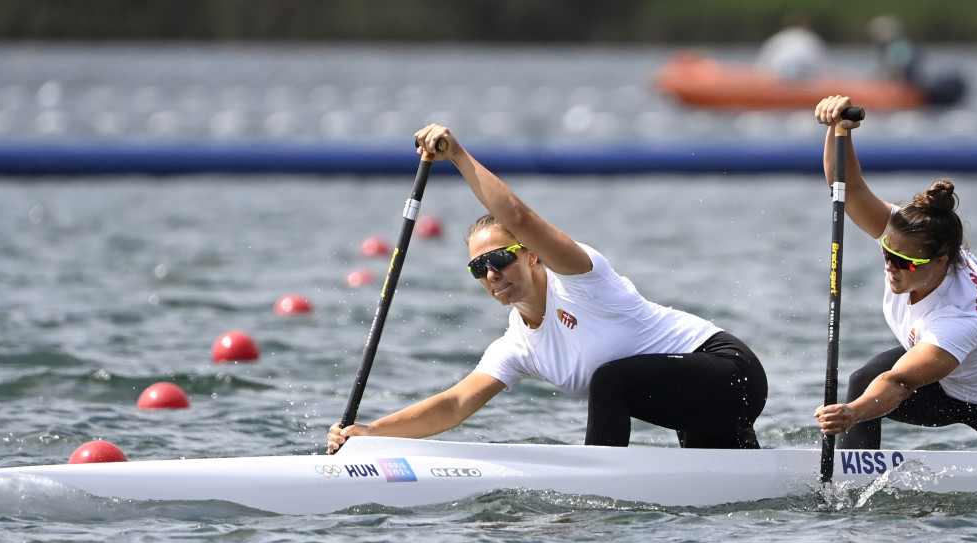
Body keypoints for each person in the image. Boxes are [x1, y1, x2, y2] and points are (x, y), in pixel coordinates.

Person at [328, 123, 768, 454]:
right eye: (478, 267)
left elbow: (518, 217)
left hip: (731, 373)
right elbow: (453, 405)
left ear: (532, 254)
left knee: (610, 380)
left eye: (500, 258)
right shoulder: (518, 345)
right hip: (691, 405)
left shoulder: (581, 279)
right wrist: (370, 432)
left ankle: (598, 492)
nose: (491, 274)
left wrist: (458, 154)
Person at [812, 96, 977, 452]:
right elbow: (849, 188)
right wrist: (839, 130)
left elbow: (899, 384)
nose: (891, 264)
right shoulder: (908, 234)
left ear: (941, 261)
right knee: (863, 379)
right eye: (888, 252)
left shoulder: (960, 315)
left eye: (904, 261)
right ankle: (851, 484)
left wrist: (850, 414)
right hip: (944, 382)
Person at [757, 13, 829, 80]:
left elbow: (763, 62)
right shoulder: (811, 37)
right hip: (807, 74)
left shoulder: (779, 37)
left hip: (780, 72)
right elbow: (824, 65)